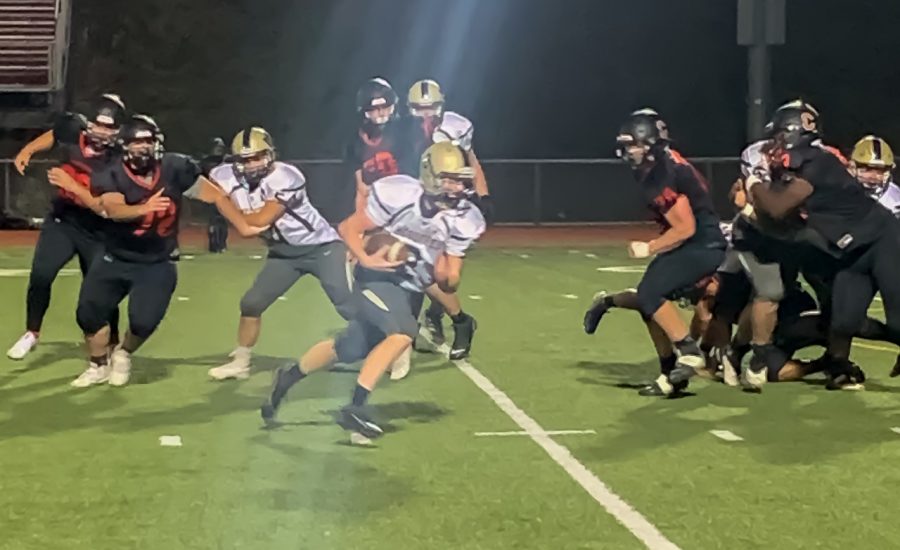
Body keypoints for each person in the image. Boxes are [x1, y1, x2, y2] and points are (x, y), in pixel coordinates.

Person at [260, 142, 485, 439]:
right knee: (404, 331)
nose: (457, 187)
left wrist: (444, 267)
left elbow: (449, 280)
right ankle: (355, 407)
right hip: (373, 276)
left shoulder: (464, 219)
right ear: (431, 176)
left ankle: (288, 378)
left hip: (409, 286)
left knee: (351, 347)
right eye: (451, 178)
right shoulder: (401, 195)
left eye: (460, 179)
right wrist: (366, 258)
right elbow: (348, 228)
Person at [62, 115, 264, 387]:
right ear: (124, 145)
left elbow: (214, 194)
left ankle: (123, 352)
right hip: (115, 256)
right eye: (136, 141)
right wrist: (142, 209)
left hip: (157, 261)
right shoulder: (110, 173)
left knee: (144, 321)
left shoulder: (174, 167)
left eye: (147, 141)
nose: (143, 147)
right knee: (88, 313)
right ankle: (98, 365)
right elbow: (113, 209)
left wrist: (242, 224)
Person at [748, 100, 900, 389]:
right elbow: (776, 216)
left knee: (898, 321)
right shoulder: (803, 162)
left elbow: (778, 207)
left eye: (779, 135)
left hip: (881, 241)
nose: (774, 143)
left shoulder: (816, 162)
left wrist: (754, 182)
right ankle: (838, 366)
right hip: (850, 250)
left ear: (791, 133)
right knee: (844, 322)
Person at [586, 111, 726, 397]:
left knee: (652, 294)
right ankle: (669, 375)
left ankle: (689, 351)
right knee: (650, 298)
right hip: (699, 242)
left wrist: (648, 247)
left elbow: (685, 228)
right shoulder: (664, 163)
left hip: (701, 244)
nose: (627, 152)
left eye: (632, 145)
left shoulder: (661, 174)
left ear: (649, 144)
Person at [203, 127, 354, 380]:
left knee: (347, 305)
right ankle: (241, 362)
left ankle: (389, 345)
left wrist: (221, 201)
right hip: (283, 254)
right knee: (252, 303)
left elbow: (257, 223)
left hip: (321, 248)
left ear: (270, 154)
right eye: (245, 159)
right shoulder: (223, 174)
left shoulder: (286, 176)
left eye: (257, 157)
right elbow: (197, 187)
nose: (251, 165)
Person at [7, 94, 125, 360]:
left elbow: (104, 203)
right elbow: (54, 134)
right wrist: (27, 150)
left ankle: (114, 343)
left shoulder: (118, 158)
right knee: (41, 275)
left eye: (109, 127)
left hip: (98, 227)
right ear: (88, 123)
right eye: (99, 124)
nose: (103, 132)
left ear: (118, 131)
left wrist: (73, 186)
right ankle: (32, 332)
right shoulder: (72, 131)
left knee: (100, 289)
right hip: (63, 220)